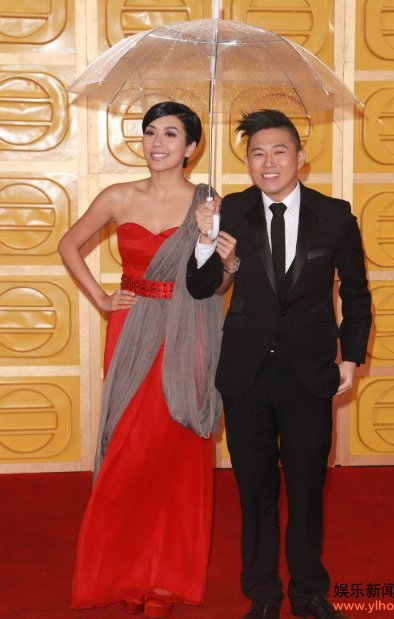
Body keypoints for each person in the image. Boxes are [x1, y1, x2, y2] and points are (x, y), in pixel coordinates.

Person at [186, 109, 372, 619]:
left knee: (308, 489)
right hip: (245, 375)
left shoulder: (334, 216)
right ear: (247, 162)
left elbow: (357, 295)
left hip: (309, 374)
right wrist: (204, 240)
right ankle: (263, 596)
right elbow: (200, 287)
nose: (267, 163)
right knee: (255, 492)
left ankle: (309, 592)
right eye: (257, 154)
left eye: (278, 151)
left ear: (300, 158)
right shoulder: (227, 210)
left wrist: (351, 358)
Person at [59, 101, 223, 618]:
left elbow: (220, 278)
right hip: (132, 331)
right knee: (129, 451)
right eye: (151, 132)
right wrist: (102, 299)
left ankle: (165, 580)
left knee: (175, 452)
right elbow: (69, 244)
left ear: (191, 146)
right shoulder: (118, 196)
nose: (157, 143)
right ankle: (127, 572)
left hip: (188, 329)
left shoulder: (208, 201)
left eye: (171, 134)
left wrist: (209, 236)